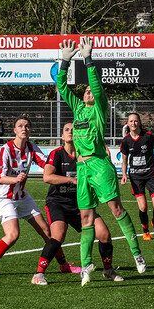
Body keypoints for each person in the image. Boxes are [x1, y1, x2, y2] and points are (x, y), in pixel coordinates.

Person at [57, 37, 145, 286]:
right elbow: (62, 88)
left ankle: (137, 254)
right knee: (86, 218)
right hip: (82, 168)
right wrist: (64, 62)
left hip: (99, 165)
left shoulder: (98, 109)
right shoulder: (77, 110)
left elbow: (96, 86)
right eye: (84, 91)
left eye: (89, 92)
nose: (87, 93)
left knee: (116, 209)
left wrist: (88, 60)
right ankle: (86, 266)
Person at [0, 116, 80, 280]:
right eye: (20, 126)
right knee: (13, 234)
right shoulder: (6, 149)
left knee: (47, 231)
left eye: (27, 126)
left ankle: (63, 265)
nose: (24, 128)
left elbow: (48, 164)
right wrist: (15, 179)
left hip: (22, 196)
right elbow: (1, 177)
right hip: (4, 197)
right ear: (15, 130)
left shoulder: (32, 148)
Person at [33, 122, 121, 285]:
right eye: (67, 130)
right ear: (62, 136)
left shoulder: (86, 155)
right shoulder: (57, 154)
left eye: (74, 130)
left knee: (104, 234)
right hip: (57, 202)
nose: (70, 132)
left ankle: (108, 270)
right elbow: (47, 177)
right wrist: (71, 180)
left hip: (81, 203)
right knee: (58, 235)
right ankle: (38, 274)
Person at [120, 113, 154, 241]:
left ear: (139, 122)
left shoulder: (148, 137)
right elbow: (124, 160)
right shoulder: (126, 141)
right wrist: (124, 174)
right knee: (143, 207)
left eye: (136, 121)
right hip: (136, 177)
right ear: (127, 123)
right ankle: (145, 229)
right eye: (131, 121)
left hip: (151, 175)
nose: (133, 123)